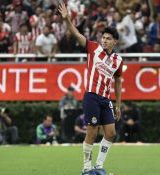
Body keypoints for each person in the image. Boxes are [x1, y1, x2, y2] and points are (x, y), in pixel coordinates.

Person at [58, 3, 123, 175]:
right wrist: (67, 20)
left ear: (115, 41)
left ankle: (99, 166)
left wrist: (118, 104)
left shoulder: (118, 60)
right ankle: (86, 169)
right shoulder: (93, 48)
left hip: (106, 99)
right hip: (92, 96)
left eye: (108, 38)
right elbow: (77, 34)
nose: (104, 40)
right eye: (104, 37)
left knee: (111, 133)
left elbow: (118, 81)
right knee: (92, 133)